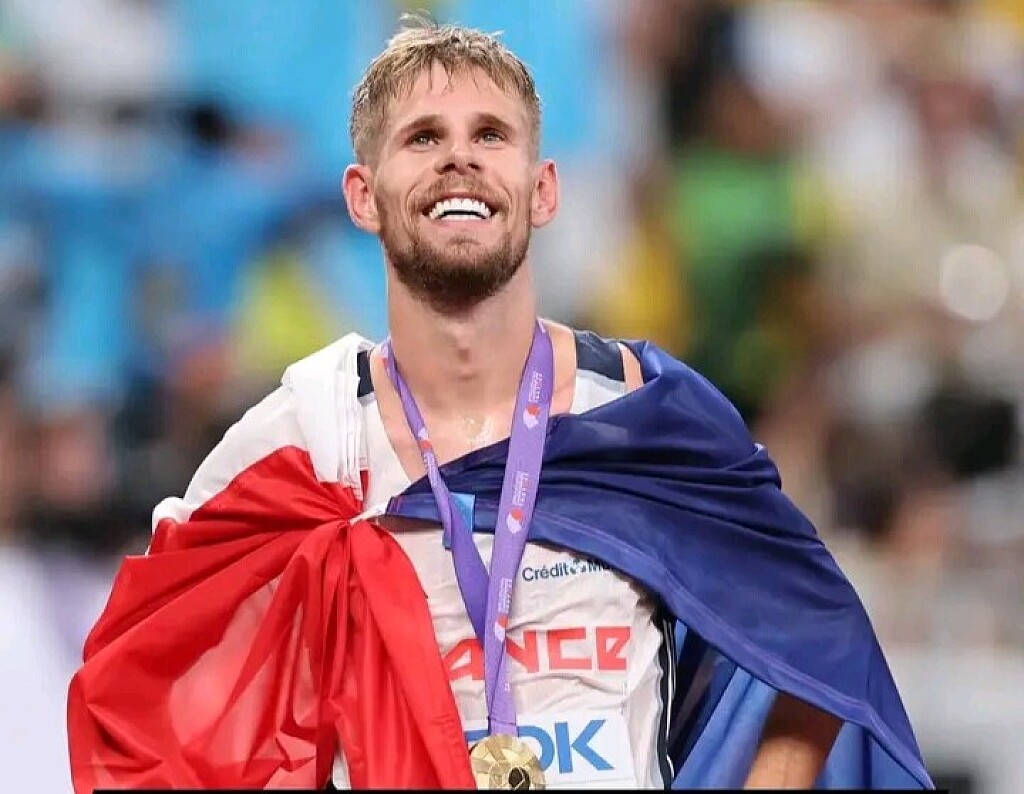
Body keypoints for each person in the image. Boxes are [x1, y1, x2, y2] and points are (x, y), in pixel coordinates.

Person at [68, 18, 933, 791]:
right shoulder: (307, 439)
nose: (459, 157)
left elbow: (817, 643)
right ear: (363, 196)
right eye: (422, 137)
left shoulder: (641, 415)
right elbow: (144, 697)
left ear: (544, 189)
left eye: (490, 133)